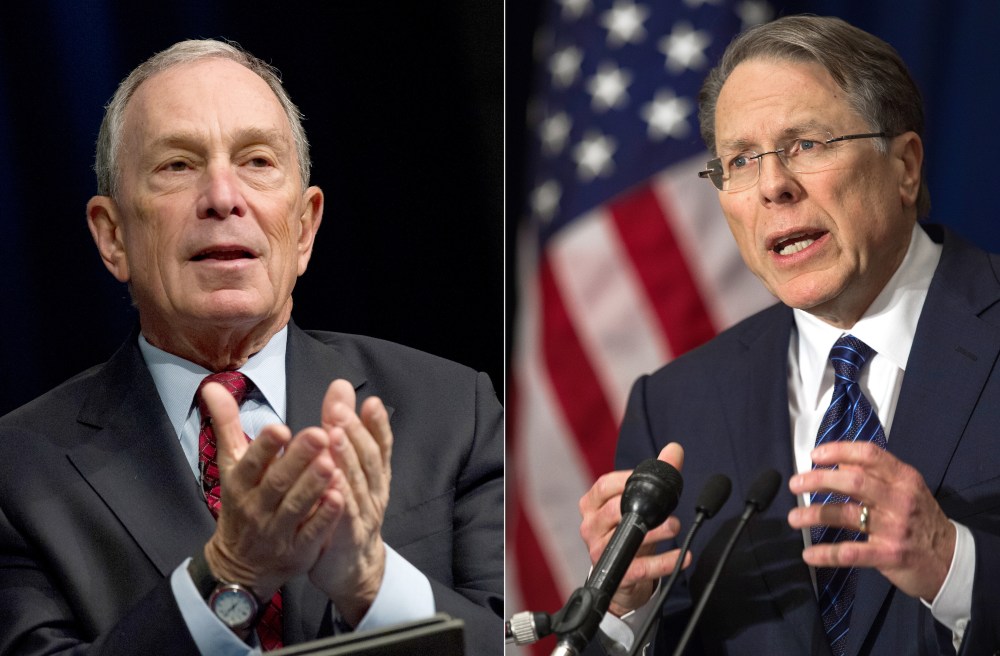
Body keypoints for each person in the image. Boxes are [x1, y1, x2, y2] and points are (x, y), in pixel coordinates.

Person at [0, 39, 502, 655]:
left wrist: (370, 584)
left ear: (305, 227)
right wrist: (228, 575)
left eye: (257, 161)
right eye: (177, 166)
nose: (222, 197)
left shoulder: (454, 411)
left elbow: (522, 641)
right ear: (113, 237)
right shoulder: (18, 471)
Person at [577, 15, 1000, 656]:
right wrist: (620, 615)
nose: (773, 186)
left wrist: (954, 566)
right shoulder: (673, 406)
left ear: (906, 165)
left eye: (807, 144)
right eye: (740, 161)